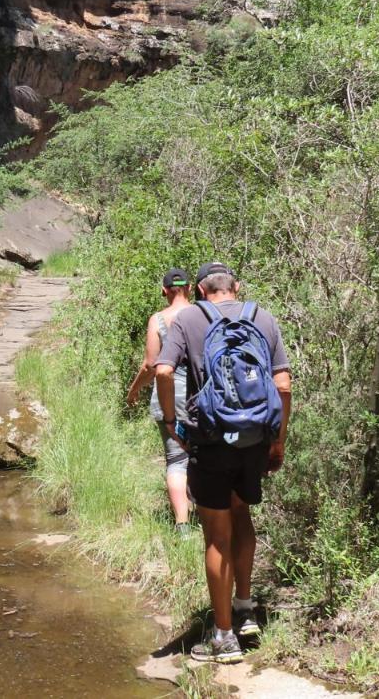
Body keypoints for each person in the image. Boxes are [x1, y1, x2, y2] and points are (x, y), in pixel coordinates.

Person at [154, 262, 292, 664]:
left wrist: (170, 419)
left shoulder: (188, 319)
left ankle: (224, 636)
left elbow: (163, 370)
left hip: (211, 440)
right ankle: (246, 608)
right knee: (242, 515)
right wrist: (277, 440)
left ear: (199, 290)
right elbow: (283, 384)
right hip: (254, 440)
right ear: (236, 287)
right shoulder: (261, 317)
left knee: (217, 534)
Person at [125, 267, 194, 533]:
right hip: (203, 396)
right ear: (190, 288)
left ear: (164, 291)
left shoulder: (158, 320)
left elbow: (151, 365)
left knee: (176, 459)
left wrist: (133, 391)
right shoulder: (205, 315)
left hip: (168, 397)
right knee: (203, 454)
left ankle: (182, 525)